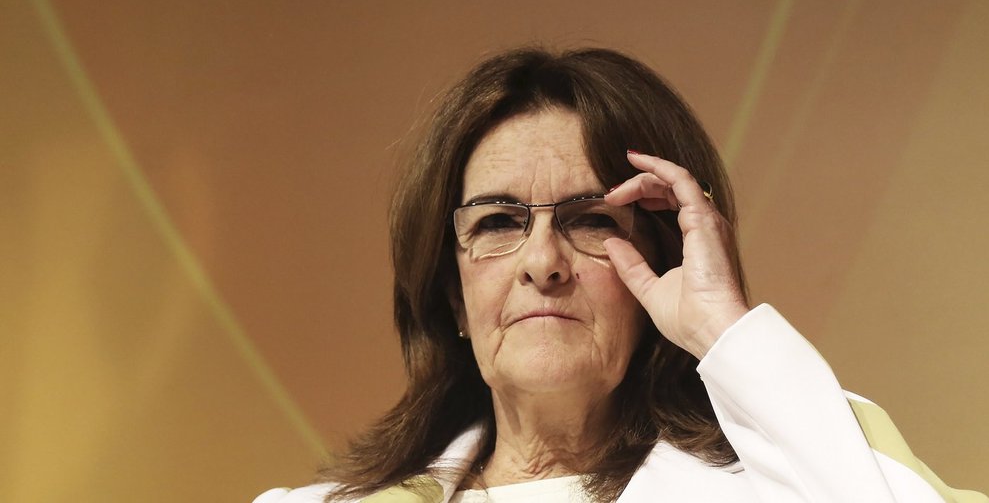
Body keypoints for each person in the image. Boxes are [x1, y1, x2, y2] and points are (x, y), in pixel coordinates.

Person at [255, 48, 985, 502]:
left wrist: (719, 329)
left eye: (590, 220)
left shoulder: (788, 471)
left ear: (663, 264)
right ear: (451, 292)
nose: (542, 263)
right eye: (498, 223)